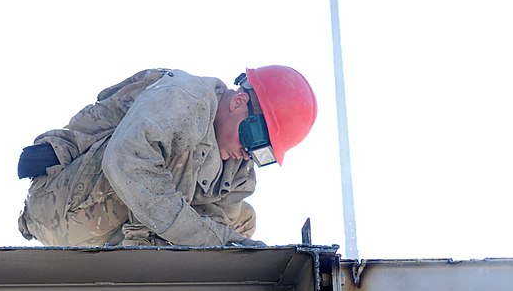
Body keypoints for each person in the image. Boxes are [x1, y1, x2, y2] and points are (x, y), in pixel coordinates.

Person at [17, 66, 317, 247]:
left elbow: (219, 225)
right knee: (176, 151)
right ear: (239, 102)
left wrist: (239, 247)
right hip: (61, 209)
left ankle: (156, 244)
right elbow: (127, 161)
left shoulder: (234, 167)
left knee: (242, 220)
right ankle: (143, 250)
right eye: (255, 138)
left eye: (262, 153)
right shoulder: (186, 98)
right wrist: (216, 241)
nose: (248, 153)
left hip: (107, 218)